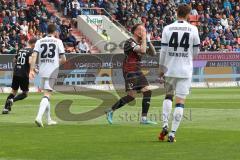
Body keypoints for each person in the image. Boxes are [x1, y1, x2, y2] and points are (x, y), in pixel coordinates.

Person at [158, 4, 200, 142]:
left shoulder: (167, 28)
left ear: (176, 12)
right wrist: (187, 57)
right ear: (188, 14)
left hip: (170, 68)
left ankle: (164, 125)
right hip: (185, 70)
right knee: (180, 102)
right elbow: (196, 52)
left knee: (168, 96)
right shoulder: (193, 29)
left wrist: (161, 68)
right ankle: (172, 133)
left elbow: (163, 51)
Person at [105, 23, 157, 125]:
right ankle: (110, 110)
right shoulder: (130, 42)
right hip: (129, 70)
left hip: (137, 70)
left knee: (147, 91)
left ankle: (143, 119)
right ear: (137, 31)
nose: (144, 32)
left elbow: (153, 53)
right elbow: (142, 51)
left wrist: (149, 41)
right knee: (131, 96)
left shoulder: (141, 42)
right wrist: (145, 40)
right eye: (143, 30)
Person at [29, 24, 66, 127]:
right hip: (52, 71)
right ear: (55, 31)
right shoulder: (58, 41)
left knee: (46, 94)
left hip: (42, 71)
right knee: (47, 95)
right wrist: (56, 62)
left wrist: (31, 70)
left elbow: (34, 55)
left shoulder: (39, 41)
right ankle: (38, 117)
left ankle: (49, 119)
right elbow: (63, 59)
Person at [2, 38, 37, 114]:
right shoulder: (31, 51)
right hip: (24, 74)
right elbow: (30, 61)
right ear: (33, 44)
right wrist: (34, 69)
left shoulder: (21, 49)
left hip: (16, 72)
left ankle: (5, 108)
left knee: (13, 91)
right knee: (25, 93)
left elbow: (14, 60)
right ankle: (12, 100)